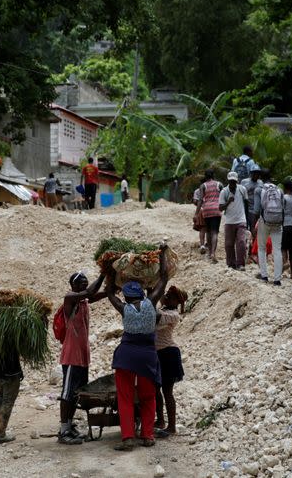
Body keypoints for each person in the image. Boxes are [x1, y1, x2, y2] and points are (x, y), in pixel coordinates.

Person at [105, 246, 169, 451]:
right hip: (147, 357)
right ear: (141, 294)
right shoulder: (151, 303)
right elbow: (164, 277)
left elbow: (108, 292)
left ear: (125, 296)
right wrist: (162, 254)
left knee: (125, 397)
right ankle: (148, 435)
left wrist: (109, 268)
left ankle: (128, 438)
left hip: (126, 357)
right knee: (148, 397)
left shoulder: (124, 308)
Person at [58, 272, 107, 445]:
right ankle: (63, 431)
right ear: (73, 285)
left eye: (86, 283)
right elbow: (90, 293)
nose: (84, 287)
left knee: (76, 393)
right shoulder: (70, 298)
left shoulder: (84, 300)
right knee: (67, 393)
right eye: (81, 284)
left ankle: (69, 426)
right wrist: (103, 273)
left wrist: (114, 285)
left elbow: (97, 294)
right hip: (71, 356)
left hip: (82, 356)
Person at [154, 285, 186, 436]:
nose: (166, 297)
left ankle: (171, 426)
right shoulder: (164, 309)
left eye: (170, 296)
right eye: (166, 295)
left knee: (167, 391)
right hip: (158, 354)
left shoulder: (173, 315)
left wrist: (154, 292)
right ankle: (160, 420)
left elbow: (155, 316)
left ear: (177, 302)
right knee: (155, 390)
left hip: (169, 354)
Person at [255, 171, 284, 285]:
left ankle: (264, 276)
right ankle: (277, 279)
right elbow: (283, 208)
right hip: (278, 223)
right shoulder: (279, 191)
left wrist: (254, 225)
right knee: (277, 250)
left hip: (265, 221)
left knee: (261, 248)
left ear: (261, 179)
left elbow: (257, 210)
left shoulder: (259, 190)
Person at [219, 171, 249, 270]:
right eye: (231, 181)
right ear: (228, 181)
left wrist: (247, 220)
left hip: (241, 220)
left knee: (241, 242)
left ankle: (240, 264)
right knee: (229, 244)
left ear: (237, 181)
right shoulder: (224, 191)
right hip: (229, 221)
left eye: (234, 181)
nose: (232, 183)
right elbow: (220, 208)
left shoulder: (242, 189)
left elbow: (246, 204)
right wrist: (228, 201)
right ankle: (231, 264)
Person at [195, 169, 223, 263]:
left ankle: (209, 252)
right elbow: (223, 196)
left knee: (208, 232)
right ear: (213, 175)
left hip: (206, 210)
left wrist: (196, 213)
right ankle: (213, 253)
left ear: (205, 176)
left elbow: (200, 200)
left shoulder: (203, 186)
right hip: (216, 209)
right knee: (215, 232)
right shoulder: (219, 184)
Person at [281, 180, 292, 272]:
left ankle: (285, 262)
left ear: (285, 188)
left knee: (283, 247)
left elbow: (282, 211)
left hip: (285, 225)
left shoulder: (284, 198)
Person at [241, 165, 263, 233]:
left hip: (256, 210)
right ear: (251, 173)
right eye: (254, 173)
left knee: (254, 228)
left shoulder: (260, 183)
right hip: (247, 208)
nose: (256, 175)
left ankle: (253, 242)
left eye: (257, 173)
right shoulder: (244, 182)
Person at [192, 187, 206, 254]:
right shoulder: (211, 188)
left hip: (202, 210)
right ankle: (210, 244)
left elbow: (195, 201)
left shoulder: (197, 190)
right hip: (211, 209)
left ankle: (202, 245)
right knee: (211, 229)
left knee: (202, 229)